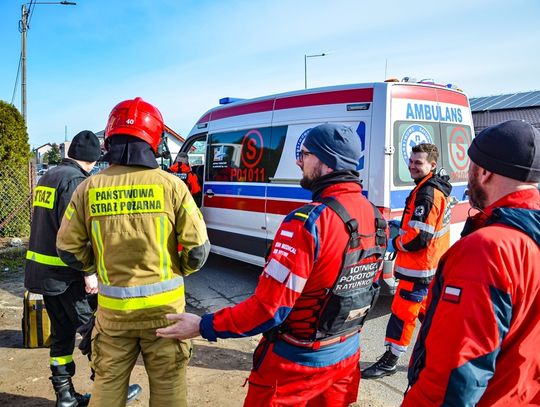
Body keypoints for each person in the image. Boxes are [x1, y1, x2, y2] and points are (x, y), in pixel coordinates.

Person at [157, 123, 387, 406]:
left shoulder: (307, 224)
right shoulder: (376, 217)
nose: (298, 161)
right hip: (345, 359)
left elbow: (269, 309)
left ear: (326, 161)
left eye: (304, 154)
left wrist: (203, 325)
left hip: (294, 369)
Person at [56, 97, 210, 407]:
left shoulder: (89, 187)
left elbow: (67, 248)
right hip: (166, 314)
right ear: (154, 140)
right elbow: (198, 250)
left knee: (108, 388)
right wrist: (178, 269)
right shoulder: (171, 186)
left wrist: (96, 266)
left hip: (114, 315)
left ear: (110, 139)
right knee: (168, 390)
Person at [402, 120, 540, 406]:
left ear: (485, 172)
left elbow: (455, 376)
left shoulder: (488, 249)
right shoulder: (530, 233)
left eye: (472, 166)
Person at [24, 131, 140, 407]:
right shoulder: (76, 181)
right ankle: (109, 393)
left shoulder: (49, 176)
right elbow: (76, 234)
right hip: (68, 275)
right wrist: (89, 272)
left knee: (62, 335)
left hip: (43, 275)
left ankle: (65, 396)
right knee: (95, 332)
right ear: (93, 158)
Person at [362, 143, 452, 379]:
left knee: (402, 315)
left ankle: (390, 360)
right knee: (428, 316)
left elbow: (419, 238)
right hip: (430, 267)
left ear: (432, 165)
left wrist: (395, 242)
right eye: (411, 161)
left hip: (418, 269)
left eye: (418, 163)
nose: (412, 166)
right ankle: (443, 357)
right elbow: (420, 228)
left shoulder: (427, 193)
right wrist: (400, 228)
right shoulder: (431, 188)